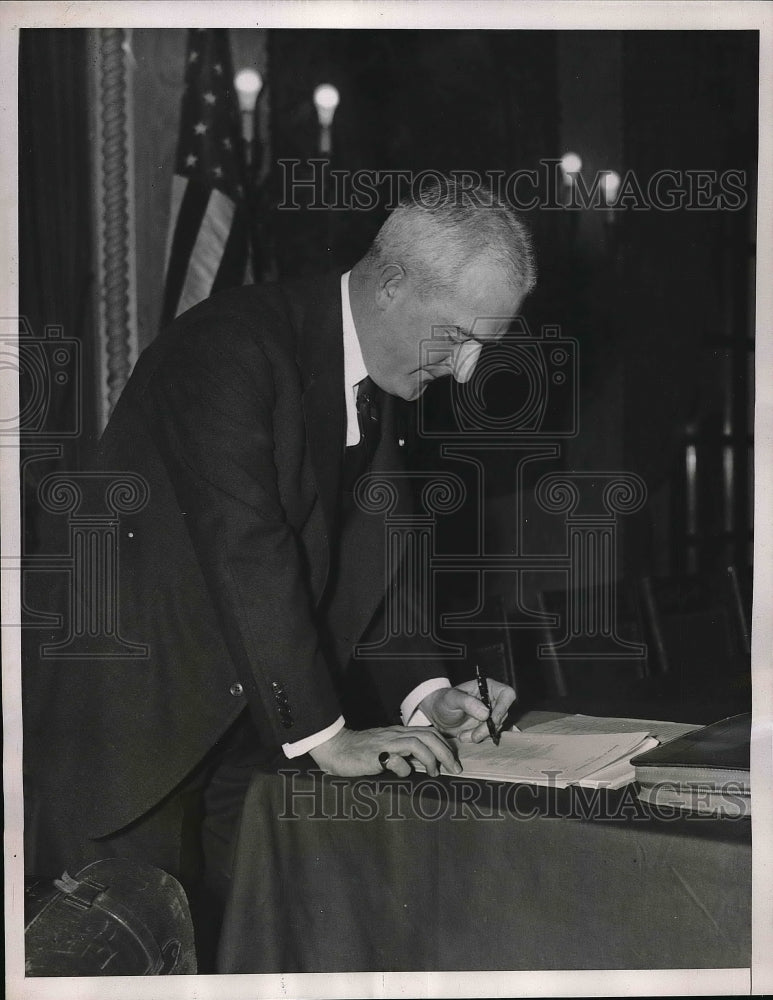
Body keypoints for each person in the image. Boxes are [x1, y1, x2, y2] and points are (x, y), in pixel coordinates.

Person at [24, 177, 536, 926]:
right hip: (133, 735)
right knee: (124, 955)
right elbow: (247, 549)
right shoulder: (229, 346)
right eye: (458, 337)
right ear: (390, 284)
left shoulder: (380, 381)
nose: (463, 371)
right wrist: (329, 739)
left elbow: (374, 550)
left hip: (249, 738)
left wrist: (428, 693)